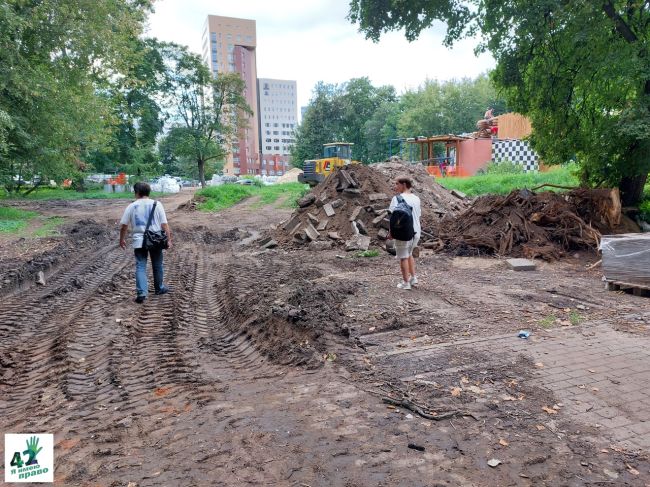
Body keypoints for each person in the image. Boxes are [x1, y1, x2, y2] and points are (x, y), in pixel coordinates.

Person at [119, 182, 172, 303]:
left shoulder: (132, 206)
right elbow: (164, 224)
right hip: (155, 239)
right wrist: (168, 239)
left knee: (140, 266)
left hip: (139, 241)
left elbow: (124, 226)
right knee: (157, 265)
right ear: (149, 192)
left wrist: (121, 239)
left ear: (136, 192)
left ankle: (142, 293)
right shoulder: (157, 204)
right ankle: (159, 288)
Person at [388, 177, 421, 290]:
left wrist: (391, 232)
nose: (395, 186)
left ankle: (405, 283)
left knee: (403, 257)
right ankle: (413, 278)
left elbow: (393, 218)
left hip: (403, 232)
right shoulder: (416, 198)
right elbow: (418, 215)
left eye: (397, 184)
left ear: (404, 184)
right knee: (409, 254)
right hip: (416, 231)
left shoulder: (397, 198)